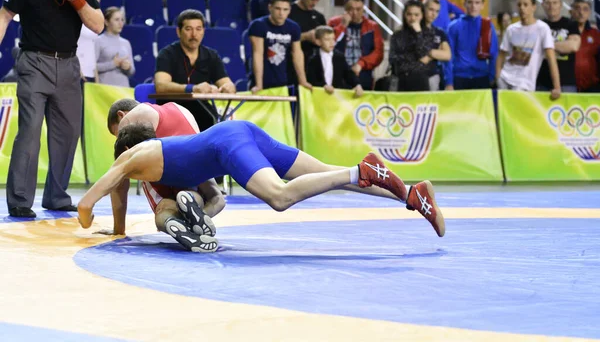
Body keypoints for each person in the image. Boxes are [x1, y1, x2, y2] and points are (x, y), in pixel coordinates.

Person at [78, 120, 446, 252]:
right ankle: (411, 195)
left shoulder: (133, 155)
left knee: (281, 197)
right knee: (320, 172)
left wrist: (85, 207)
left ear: (124, 148)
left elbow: (105, 185)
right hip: (240, 130)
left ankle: (360, 169)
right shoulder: (159, 155)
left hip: (228, 145)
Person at [1, 0, 104, 218]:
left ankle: (57, 197)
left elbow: (98, 25)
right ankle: (20, 200)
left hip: (69, 64)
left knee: (68, 133)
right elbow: (4, 16)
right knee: (30, 131)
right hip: (35, 61)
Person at [101, 98, 225, 240]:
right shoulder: (180, 108)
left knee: (164, 208)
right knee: (198, 194)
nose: (119, 137)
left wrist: (118, 229)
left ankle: (169, 221)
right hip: (194, 162)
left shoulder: (132, 121)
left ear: (121, 116)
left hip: (162, 164)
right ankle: (195, 211)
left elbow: (119, 181)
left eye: (116, 133)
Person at [154, 9, 236, 132]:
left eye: (198, 29)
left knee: (214, 121)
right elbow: (161, 86)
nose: (194, 34)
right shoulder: (167, 54)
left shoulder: (211, 55)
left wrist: (228, 87)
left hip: (200, 108)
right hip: (171, 107)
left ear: (203, 31)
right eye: (188, 29)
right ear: (178, 32)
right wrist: (192, 89)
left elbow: (226, 82)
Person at [496, 0, 561, 99]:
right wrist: (498, 76)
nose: (522, 8)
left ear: (533, 7)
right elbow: (501, 54)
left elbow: (551, 58)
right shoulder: (511, 29)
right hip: (505, 79)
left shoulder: (542, 28)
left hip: (524, 83)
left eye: (526, 5)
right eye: (519, 5)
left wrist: (557, 87)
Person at [248, 0, 312, 92]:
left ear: (289, 10)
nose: (281, 13)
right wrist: (258, 84)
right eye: (277, 8)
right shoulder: (258, 25)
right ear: (270, 8)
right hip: (262, 79)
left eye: (285, 9)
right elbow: (258, 54)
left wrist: (303, 81)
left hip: (283, 81)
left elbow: (297, 54)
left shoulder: (294, 28)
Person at [328, 0, 384, 90]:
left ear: (363, 10)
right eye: (350, 9)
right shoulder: (333, 23)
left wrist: (361, 64)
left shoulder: (372, 26)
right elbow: (327, 44)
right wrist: (342, 26)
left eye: (358, 9)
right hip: (338, 73)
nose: (354, 13)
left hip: (362, 73)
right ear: (345, 9)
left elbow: (378, 53)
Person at [446, 0, 498, 90]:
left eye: (477, 3)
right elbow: (448, 56)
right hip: (459, 77)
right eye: (470, 2)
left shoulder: (487, 25)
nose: (473, 6)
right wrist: (449, 81)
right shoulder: (453, 27)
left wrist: (492, 77)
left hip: (482, 77)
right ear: (464, 4)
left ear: (483, 5)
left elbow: (494, 53)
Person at [536, 0, 581, 93]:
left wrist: (546, 46)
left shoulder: (571, 24)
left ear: (561, 5)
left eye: (555, 2)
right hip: (542, 82)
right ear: (543, 5)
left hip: (566, 82)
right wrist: (562, 46)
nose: (551, 6)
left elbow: (573, 46)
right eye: (548, 3)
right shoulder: (538, 26)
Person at [387, 0, 434, 92]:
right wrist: (415, 61)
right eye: (409, 14)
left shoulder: (428, 34)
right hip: (400, 81)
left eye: (416, 15)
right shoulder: (397, 35)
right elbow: (393, 59)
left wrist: (418, 33)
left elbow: (424, 56)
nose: (412, 18)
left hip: (421, 81)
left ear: (422, 16)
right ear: (404, 15)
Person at [306, 25, 364, 97]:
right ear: (318, 42)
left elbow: (348, 73)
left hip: (336, 98)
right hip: (319, 97)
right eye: (327, 39)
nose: (332, 42)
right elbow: (311, 78)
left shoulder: (339, 57)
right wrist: (323, 86)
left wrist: (357, 84)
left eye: (333, 39)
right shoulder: (313, 59)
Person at [288, 0, 327, 64]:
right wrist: (305, 36)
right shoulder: (287, 12)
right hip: (291, 61)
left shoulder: (319, 17)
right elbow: (280, 37)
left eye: (317, 0)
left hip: (313, 64)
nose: (314, 3)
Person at [95, 7, 135, 87]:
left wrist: (127, 67)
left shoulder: (126, 42)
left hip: (123, 89)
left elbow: (132, 70)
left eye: (122, 20)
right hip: (105, 89)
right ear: (106, 22)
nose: (120, 23)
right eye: (116, 20)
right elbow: (92, 67)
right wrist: (113, 64)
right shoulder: (98, 40)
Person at [570, 0, 600, 92]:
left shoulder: (596, 34)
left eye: (585, 9)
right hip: (569, 86)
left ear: (589, 12)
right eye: (577, 8)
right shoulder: (564, 32)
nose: (581, 12)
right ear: (571, 11)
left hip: (592, 87)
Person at [423, 0, 451, 91]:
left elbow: (447, 55)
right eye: (431, 9)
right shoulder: (413, 30)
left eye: (437, 11)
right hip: (413, 77)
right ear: (423, 8)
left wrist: (429, 53)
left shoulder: (439, 32)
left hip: (433, 77)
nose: (433, 14)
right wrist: (437, 53)